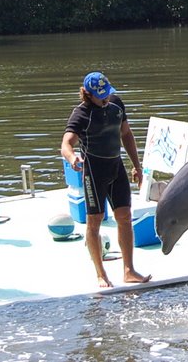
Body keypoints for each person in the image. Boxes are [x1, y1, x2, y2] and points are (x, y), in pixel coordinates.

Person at [61, 71, 151, 288]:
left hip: (116, 166)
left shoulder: (116, 104)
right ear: (88, 95)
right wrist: (73, 158)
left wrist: (136, 166)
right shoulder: (81, 114)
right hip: (94, 170)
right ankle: (100, 273)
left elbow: (126, 134)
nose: (105, 98)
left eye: (107, 93)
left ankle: (129, 270)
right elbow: (66, 144)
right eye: (100, 95)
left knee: (125, 216)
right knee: (95, 220)